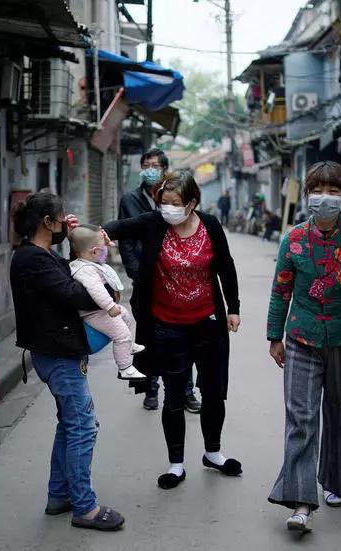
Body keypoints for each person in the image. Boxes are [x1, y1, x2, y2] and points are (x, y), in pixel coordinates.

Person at [103, 170, 243, 490]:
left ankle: (213, 453)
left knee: (213, 392)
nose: (168, 209)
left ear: (192, 202)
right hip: (166, 326)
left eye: (175, 203)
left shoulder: (210, 225)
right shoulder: (155, 223)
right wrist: (95, 233)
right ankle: (176, 464)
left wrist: (232, 308)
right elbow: (120, 228)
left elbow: (226, 266)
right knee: (174, 395)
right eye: (163, 202)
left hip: (207, 323)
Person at [266, 161, 341, 533]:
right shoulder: (294, 239)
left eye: (333, 192)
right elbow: (281, 290)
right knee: (300, 419)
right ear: (308, 196)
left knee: (339, 414)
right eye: (318, 190)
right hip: (302, 337)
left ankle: (336, 480)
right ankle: (301, 502)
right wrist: (274, 336)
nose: (325, 199)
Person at [9, 191, 125, 531]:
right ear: (47, 222)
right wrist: (107, 290)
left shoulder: (39, 255)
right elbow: (76, 292)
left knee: (70, 424)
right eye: (61, 220)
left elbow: (66, 275)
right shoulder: (33, 259)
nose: (65, 224)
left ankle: (59, 495)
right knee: (83, 427)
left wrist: (73, 246)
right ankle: (84, 507)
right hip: (58, 354)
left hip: (55, 351)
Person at [118, 148, 200, 413]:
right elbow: (126, 240)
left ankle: (186, 391)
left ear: (165, 169)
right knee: (148, 338)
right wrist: (135, 272)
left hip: (176, 280)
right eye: (145, 164)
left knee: (184, 338)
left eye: (154, 165)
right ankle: (150, 389)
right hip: (146, 281)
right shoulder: (130, 199)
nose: (149, 168)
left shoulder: (178, 197)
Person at [67, 224, 147, 381]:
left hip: (100, 310)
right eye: (104, 248)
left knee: (126, 316)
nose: (107, 249)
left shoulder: (87, 262)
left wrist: (105, 244)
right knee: (122, 335)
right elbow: (97, 290)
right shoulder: (85, 270)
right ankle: (125, 368)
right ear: (94, 252)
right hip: (95, 314)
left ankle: (129, 346)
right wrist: (110, 306)